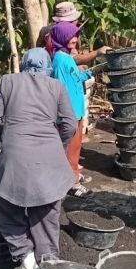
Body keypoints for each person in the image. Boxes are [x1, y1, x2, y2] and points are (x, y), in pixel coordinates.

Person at [0, 48, 77, 269]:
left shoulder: (6, 82)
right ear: (47, 66)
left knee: (7, 208)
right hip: (51, 157)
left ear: (24, 63)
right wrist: (58, 144)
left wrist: (6, 139)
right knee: (46, 209)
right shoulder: (56, 86)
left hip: (15, 156)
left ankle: (26, 258)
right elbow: (70, 124)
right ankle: (49, 261)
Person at [49, 22, 94, 198]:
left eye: (75, 36)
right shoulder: (60, 60)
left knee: (75, 148)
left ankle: (72, 176)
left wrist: (89, 73)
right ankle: (71, 183)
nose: (73, 39)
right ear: (61, 37)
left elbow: (74, 79)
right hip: (70, 112)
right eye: (70, 36)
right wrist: (64, 113)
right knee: (70, 150)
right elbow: (61, 86)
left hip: (76, 110)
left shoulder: (66, 57)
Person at [35, 1, 110, 65]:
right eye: (75, 19)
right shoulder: (68, 34)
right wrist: (97, 52)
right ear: (71, 20)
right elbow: (73, 59)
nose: (77, 21)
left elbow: (37, 49)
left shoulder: (45, 30)